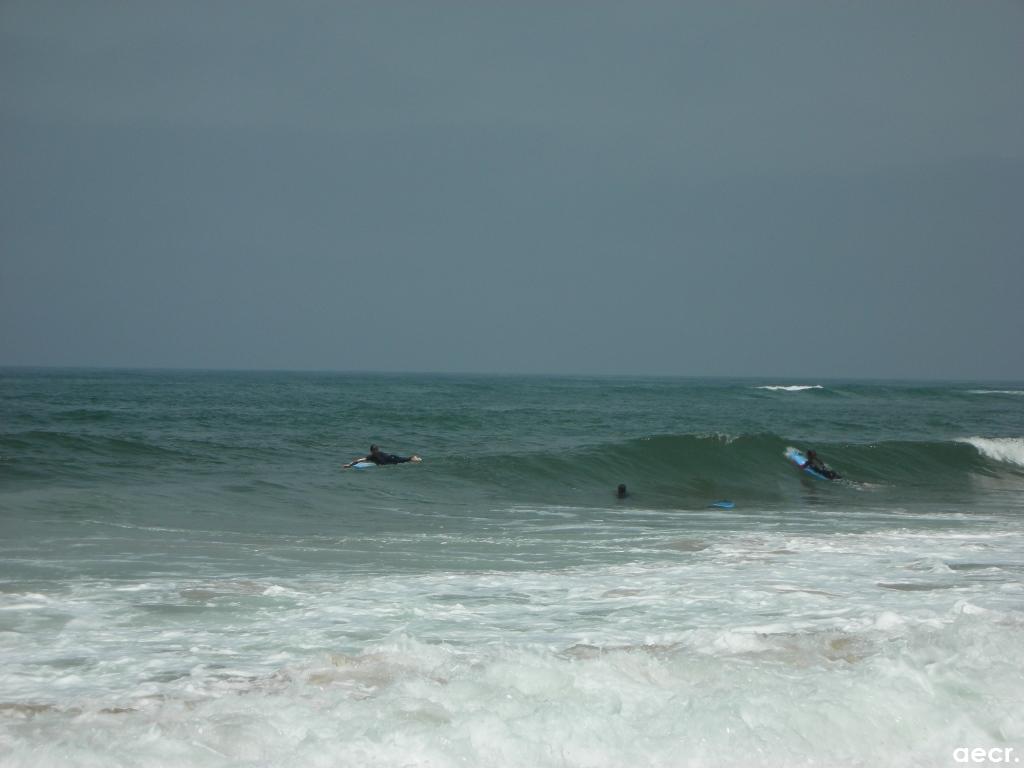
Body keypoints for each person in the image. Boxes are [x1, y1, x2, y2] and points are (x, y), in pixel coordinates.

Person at [343, 444, 422, 468]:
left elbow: (360, 460)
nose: (376, 452)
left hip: (392, 458)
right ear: (372, 451)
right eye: (374, 451)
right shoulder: (370, 456)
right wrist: (349, 465)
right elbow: (360, 460)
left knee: (405, 460)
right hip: (389, 461)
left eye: (376, 450)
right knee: (405, 461)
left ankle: (414, 458)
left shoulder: (378, 454)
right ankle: (413, 458)